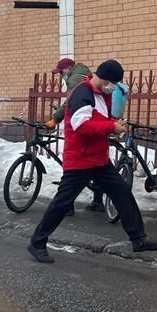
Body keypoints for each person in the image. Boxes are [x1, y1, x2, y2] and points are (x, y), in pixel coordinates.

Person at [28, 60, 157, 263]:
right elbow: (81, 125)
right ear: (103, 78)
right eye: (112, 83)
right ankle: (37, 243)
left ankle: (138, 239)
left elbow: (97, 119)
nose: (114, 87)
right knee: (62, 203)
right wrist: (111, 127)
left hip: (98, 158)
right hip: (80, 159)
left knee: (122, 193)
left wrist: (112, 124)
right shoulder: (82, 93)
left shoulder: (103, 94)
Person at [48, 58, 105, 214]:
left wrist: (56, 118)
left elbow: (70, 102)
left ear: (69, 68)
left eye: (61, 72)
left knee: (72, 168)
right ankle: (98, 201)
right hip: (91, 124)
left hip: (78, 128)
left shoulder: (75, 79)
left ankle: (68, 206)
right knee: (94, 166)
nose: (61, 76)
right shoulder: (84, 75)